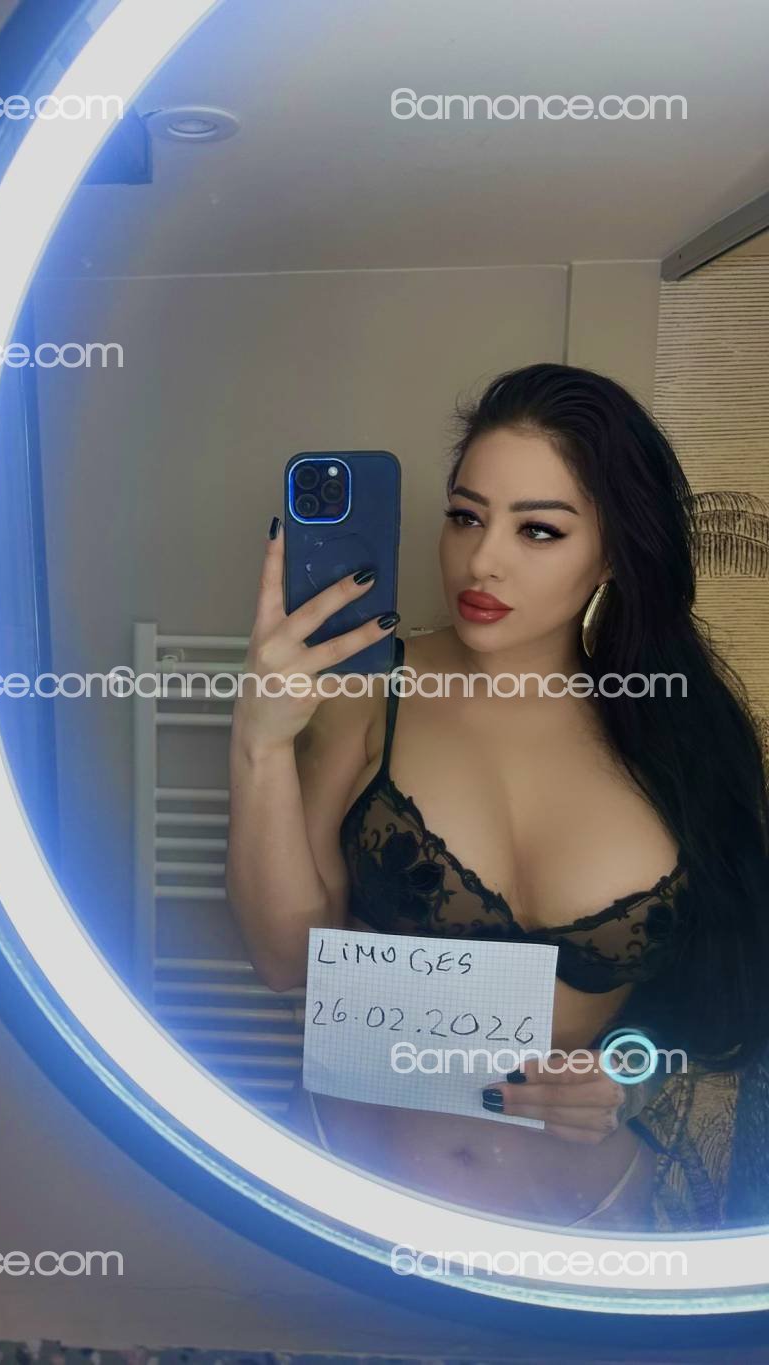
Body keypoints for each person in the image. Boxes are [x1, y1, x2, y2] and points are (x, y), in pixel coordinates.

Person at [226, 363, 769, 1231]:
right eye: (466, 516)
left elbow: (717, 1000)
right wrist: (258, 742)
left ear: (614, 551)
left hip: (590, 1216)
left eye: (539, 530)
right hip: (358, 1199)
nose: (482, 560)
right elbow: (286, 960)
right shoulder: (370, 690)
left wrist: (628, 1074)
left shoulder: (684, 732)